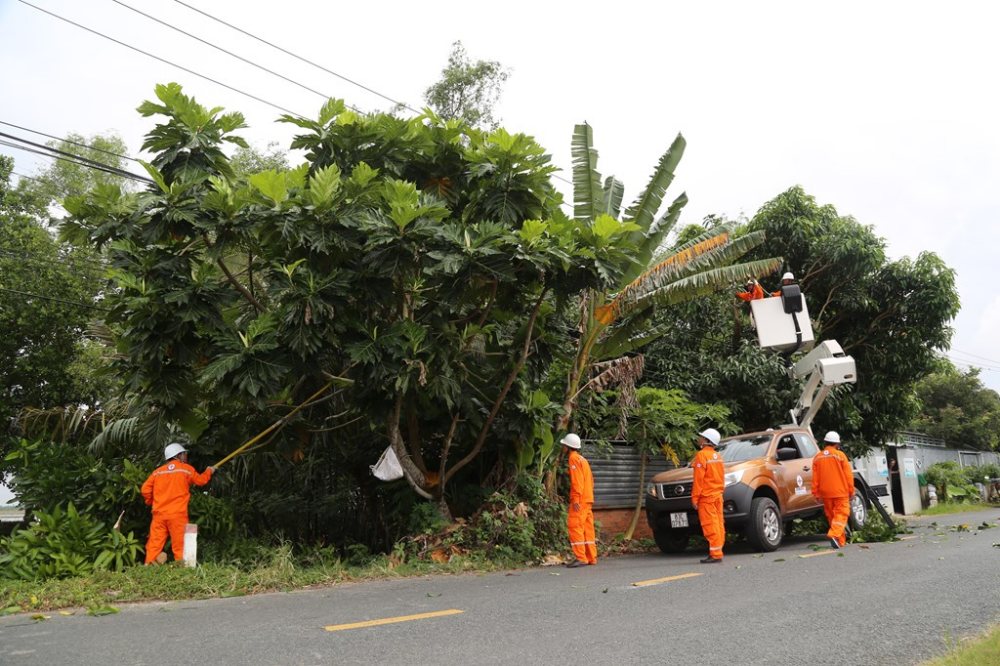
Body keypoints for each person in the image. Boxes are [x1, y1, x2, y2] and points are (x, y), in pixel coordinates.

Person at [141, 443, 214, 565]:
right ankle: (182, 573)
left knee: (154, 545)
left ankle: (149, 568)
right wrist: (209, 471)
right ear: (178, 455)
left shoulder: (157, 472)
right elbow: (201, 481)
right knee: (180, 545)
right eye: (184, 454)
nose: (186, 456)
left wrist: (151, 502)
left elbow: (144, 489)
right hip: (177, 515)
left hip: (159, 515)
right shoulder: (185, 469)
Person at [811, 431, 855, 549]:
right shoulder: (840, 455)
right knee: (841, 514)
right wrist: (851, 491)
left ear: (825, 442)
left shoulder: (817, 457)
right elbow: (848, 476)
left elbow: (815, 478)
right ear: (837, 444)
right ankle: (834, 535)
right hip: (840, 492)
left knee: (832, 517)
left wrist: (816, 493)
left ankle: (839, 541)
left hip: (825, 493)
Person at [561, 433, 596, 568]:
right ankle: (591, 557)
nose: (563, 448)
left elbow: (577, 482)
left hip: (580, 500)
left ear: (568, 446)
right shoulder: (583, 459)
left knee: (575, 526)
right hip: (587, 498)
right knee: (587, 528)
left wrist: (576, 499)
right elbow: (591, 481)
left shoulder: (573, 459)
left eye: (564, 445)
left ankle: (581, 557)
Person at [691, 428, 725, 563]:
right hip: (718, 495)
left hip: (707, 497)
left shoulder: (702, 455)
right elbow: (722, 477)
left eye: (701, 437)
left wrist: (694, 498)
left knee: (710, 525)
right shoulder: (718, 456)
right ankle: (718, 550)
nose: (699, 439)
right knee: (719, 524)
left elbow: (699, 479)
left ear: (706, 441)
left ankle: (716, 553)